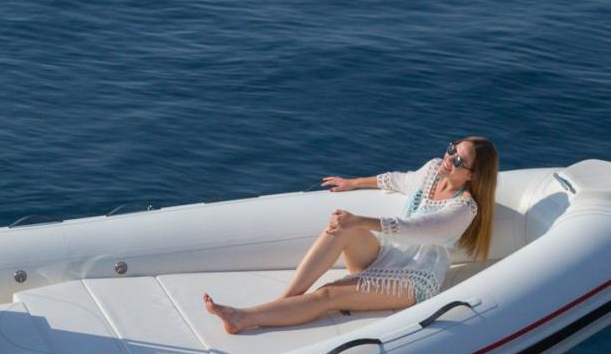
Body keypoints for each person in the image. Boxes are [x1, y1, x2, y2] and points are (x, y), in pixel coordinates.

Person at [204, 137, 499, 333]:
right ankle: (284, 302)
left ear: (472, 175)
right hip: (387, 255)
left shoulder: (464, 208)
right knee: (342, 226)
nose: (449, 158)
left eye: (459, 161)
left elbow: (416, 230)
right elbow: (399, 180)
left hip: (415, 277)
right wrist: (353, 182)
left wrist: (362, 220)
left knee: (329, 294)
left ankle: (244, 318)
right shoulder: (433, 169)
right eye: (452, 149)